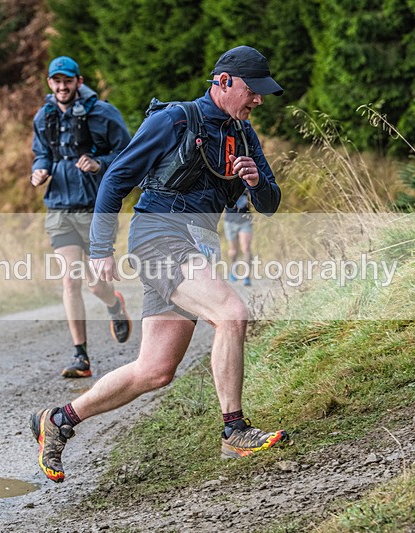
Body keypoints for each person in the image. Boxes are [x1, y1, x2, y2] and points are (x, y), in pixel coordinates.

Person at [30, 46, 288, 483]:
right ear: (224, 82)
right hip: (159, 237)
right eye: (253, 90)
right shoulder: (174, 120)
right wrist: (99, 248)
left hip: (199, 245)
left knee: (155, 371)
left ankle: (59, 420)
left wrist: (257, 181)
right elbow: (116, 178)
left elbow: (269, 204)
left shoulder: (245, 136)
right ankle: (234, 431)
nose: (258, 99)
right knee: (232, 313)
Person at [30, 56, 133, 379]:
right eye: (56, 81)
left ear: (78, 81)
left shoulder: (102, 112)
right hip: (59, 206)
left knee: (94, 286)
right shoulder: (43, 116)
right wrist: (39, 170)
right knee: (70, 280)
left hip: (94, 206)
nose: (62, 87)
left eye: (67, 81)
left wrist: (99, 163)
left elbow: (129, 151)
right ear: (50, 83)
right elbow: (42, 152)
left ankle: (114, 304)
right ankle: (81, 356)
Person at [224, 190, 254, 286]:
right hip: (230, 221)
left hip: (245, 220)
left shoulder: (246, 179)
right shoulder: (226, 179)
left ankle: (247, 276)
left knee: (246, 248)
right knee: (233, 251)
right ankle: (233, 271)